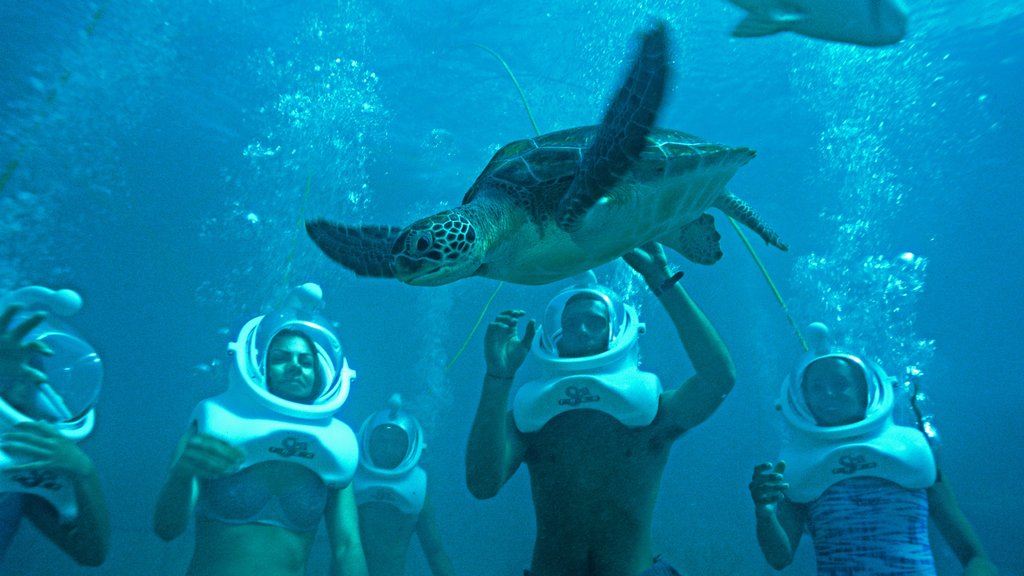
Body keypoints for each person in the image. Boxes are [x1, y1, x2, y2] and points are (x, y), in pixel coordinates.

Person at [465, 242, 736, 576]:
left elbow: (718, 380)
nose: (580, 330)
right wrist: (498, 377)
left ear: (615, 334)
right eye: (571, 322)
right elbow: (482, 484)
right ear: (554, 336)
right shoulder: (531, 420)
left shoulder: (650, 415)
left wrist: (661, 279)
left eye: (594, 322)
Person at [749, 322, 998, 576]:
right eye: (817, 387)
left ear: (865, 389)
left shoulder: (914, 450)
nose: (829, 394)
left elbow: (976, 558)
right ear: (803, 399)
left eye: (840, 383)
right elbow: (779, 557)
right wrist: (765, 513)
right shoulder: (796, 466)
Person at [153, 283, 368, 576]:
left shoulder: (335, 446)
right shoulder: (215, 424)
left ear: (321, 372)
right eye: (280, 357)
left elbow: (347, 546)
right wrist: (182, 473)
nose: (295, 366)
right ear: (259, 363)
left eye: (306, 361)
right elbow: (167, 528)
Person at [0, 286, 110, 566]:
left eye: (26, 384)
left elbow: (90, 553)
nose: (21, 394)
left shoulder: (24, 472)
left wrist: (84, 471)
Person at [353, 393, 455, 576]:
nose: (388, 449)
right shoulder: (349, 479)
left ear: (410, 446)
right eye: (382, 441)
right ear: (368, 440)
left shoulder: (417, 489)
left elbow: (435, 552)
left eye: (396, 443)